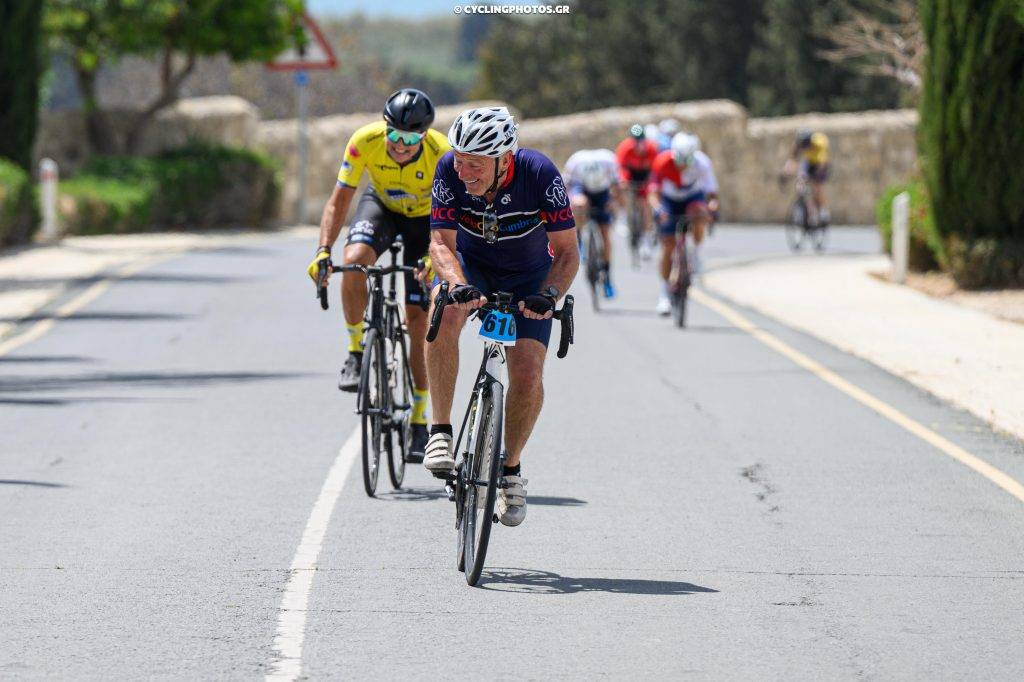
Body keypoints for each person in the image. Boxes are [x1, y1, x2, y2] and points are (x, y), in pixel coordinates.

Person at [422, 106, 579, 527]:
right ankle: (439, 431)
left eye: (475, 163)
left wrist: (549, 295)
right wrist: (455, 283)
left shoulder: (539, 175)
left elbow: (567, 253)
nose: (463, 170)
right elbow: (440, 242)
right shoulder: (448, 171)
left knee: (527, 374)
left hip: (530, 276)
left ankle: (510, 470)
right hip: (472, 267)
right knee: (444, 307)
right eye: (459, 158)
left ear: (504, 160)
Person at [306, 88, 450, 461]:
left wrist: (438, 258)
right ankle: (356, 351)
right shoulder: (363, 142)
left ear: (424, 136)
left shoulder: (442, 153)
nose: (401, 145)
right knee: (353, 261)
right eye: (395, 135)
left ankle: (420, 422)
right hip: (382, 207)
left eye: (411, 138)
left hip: (426, 221)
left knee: (419, 321)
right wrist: (323, 250)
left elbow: (453, 217)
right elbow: (339, 201)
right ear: (384, 128)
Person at [647, 132, 720, 315]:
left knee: (699, 215)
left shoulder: (702, 163)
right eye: (679, 161)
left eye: (687, 161)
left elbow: (711, 194)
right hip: (669, 201)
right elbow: (653, 192)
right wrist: (657, 209)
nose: (682, 166)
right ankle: (664, 295)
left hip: (692, 198)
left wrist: (711, 206)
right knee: (668, 245)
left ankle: (695, 254)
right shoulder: (662, 161)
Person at [563, 148, 621, 298]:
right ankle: (580, 238)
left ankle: (607, 276)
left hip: (602, 191)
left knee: (605, 232)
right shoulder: (575, 162)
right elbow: (567, 188)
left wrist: (614, 203)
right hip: (580, 187)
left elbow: (616, 187)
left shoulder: (609, 161)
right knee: (579, 204)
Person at [615, 124, 659, 246]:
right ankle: (623, 215)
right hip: (631, 174)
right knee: (619, 188)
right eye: (635, 141)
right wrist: (623, 180)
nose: (638, 144)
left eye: (641, 141)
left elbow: (655, 170)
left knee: (645, 203)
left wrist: (651, 184)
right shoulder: (624, 148)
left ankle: (646, 234)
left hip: (645, 175)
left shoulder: (652, 148)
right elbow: (621, 168)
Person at [783, 127, 830, 226]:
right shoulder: (798, 144)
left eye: (806, 145)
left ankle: (823, 212)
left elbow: (822, 162)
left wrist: (815, 176)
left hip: (820, 164)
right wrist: (785, 173)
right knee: (800, 183)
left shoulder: (819, 143)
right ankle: (804, 211)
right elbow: (793, 159)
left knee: (816, 187)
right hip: (808, 162)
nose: (804, 148)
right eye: (802, 146)